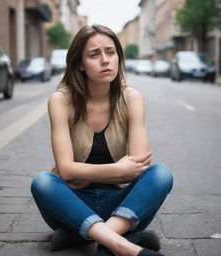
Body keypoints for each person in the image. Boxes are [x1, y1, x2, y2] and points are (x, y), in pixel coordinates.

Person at [31, 24, 173, 256]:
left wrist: (119, 172)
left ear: (118, 57)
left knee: (161, 174)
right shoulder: (60, 101)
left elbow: (138, 167)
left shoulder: (132, 98)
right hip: (72, 203)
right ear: (79, 63)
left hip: (121, 206)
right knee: (43, 182)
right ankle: (123, 244)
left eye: (110, 52)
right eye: (94, 55)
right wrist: (117, 170)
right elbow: (66, 171)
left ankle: (91, 236)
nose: (105, 60)